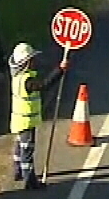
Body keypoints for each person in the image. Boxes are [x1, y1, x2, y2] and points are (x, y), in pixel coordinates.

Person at [8, 42, 66, 190]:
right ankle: (30, 181)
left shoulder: (17, 77)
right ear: (26, 62)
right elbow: (44, 85)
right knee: (27, 149)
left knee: (19, 146)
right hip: (27, 120)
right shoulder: (27, 81)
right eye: (32, 59)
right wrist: (59, 70)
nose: (35, 62)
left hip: (18, 119)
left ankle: (17, 171)